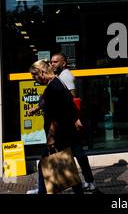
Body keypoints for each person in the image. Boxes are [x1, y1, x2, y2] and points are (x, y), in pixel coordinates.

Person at [28, 59, 83, 195]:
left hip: (58, 134)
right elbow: (62, 103)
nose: (35, 79)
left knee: (47, 165)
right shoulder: (57, 82)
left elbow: (56, 115)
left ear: (41, 72)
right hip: (64, 131)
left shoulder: (53, 87)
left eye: (34, 76)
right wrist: (37, 108)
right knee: (65, 166)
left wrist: (51, 137)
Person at [50, 53, 97, 192]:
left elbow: (72, 100)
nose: (52, 64)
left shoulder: (66, 77)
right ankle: (88, 182)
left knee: (63, 154)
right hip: (67, 122)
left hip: (67, 123)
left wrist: (75, 119)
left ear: (63, 63)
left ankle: (53, 186)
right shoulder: (61, 76)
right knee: (76, 153)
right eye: (51, 62)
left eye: (55, 62)